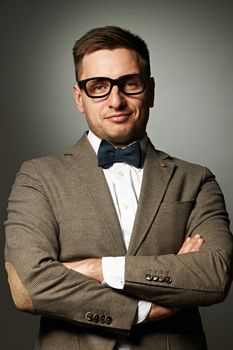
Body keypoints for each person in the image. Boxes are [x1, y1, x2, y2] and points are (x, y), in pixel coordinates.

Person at [4, 26, 233, 350]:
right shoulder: (37, 177)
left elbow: (214, 275)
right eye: (98, 86)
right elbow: (29, 285)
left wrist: (97, 269)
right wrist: (144, 310)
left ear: (150, 90)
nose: (116, 100)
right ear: (79, 97)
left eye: (130, 83)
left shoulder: (197, 180)